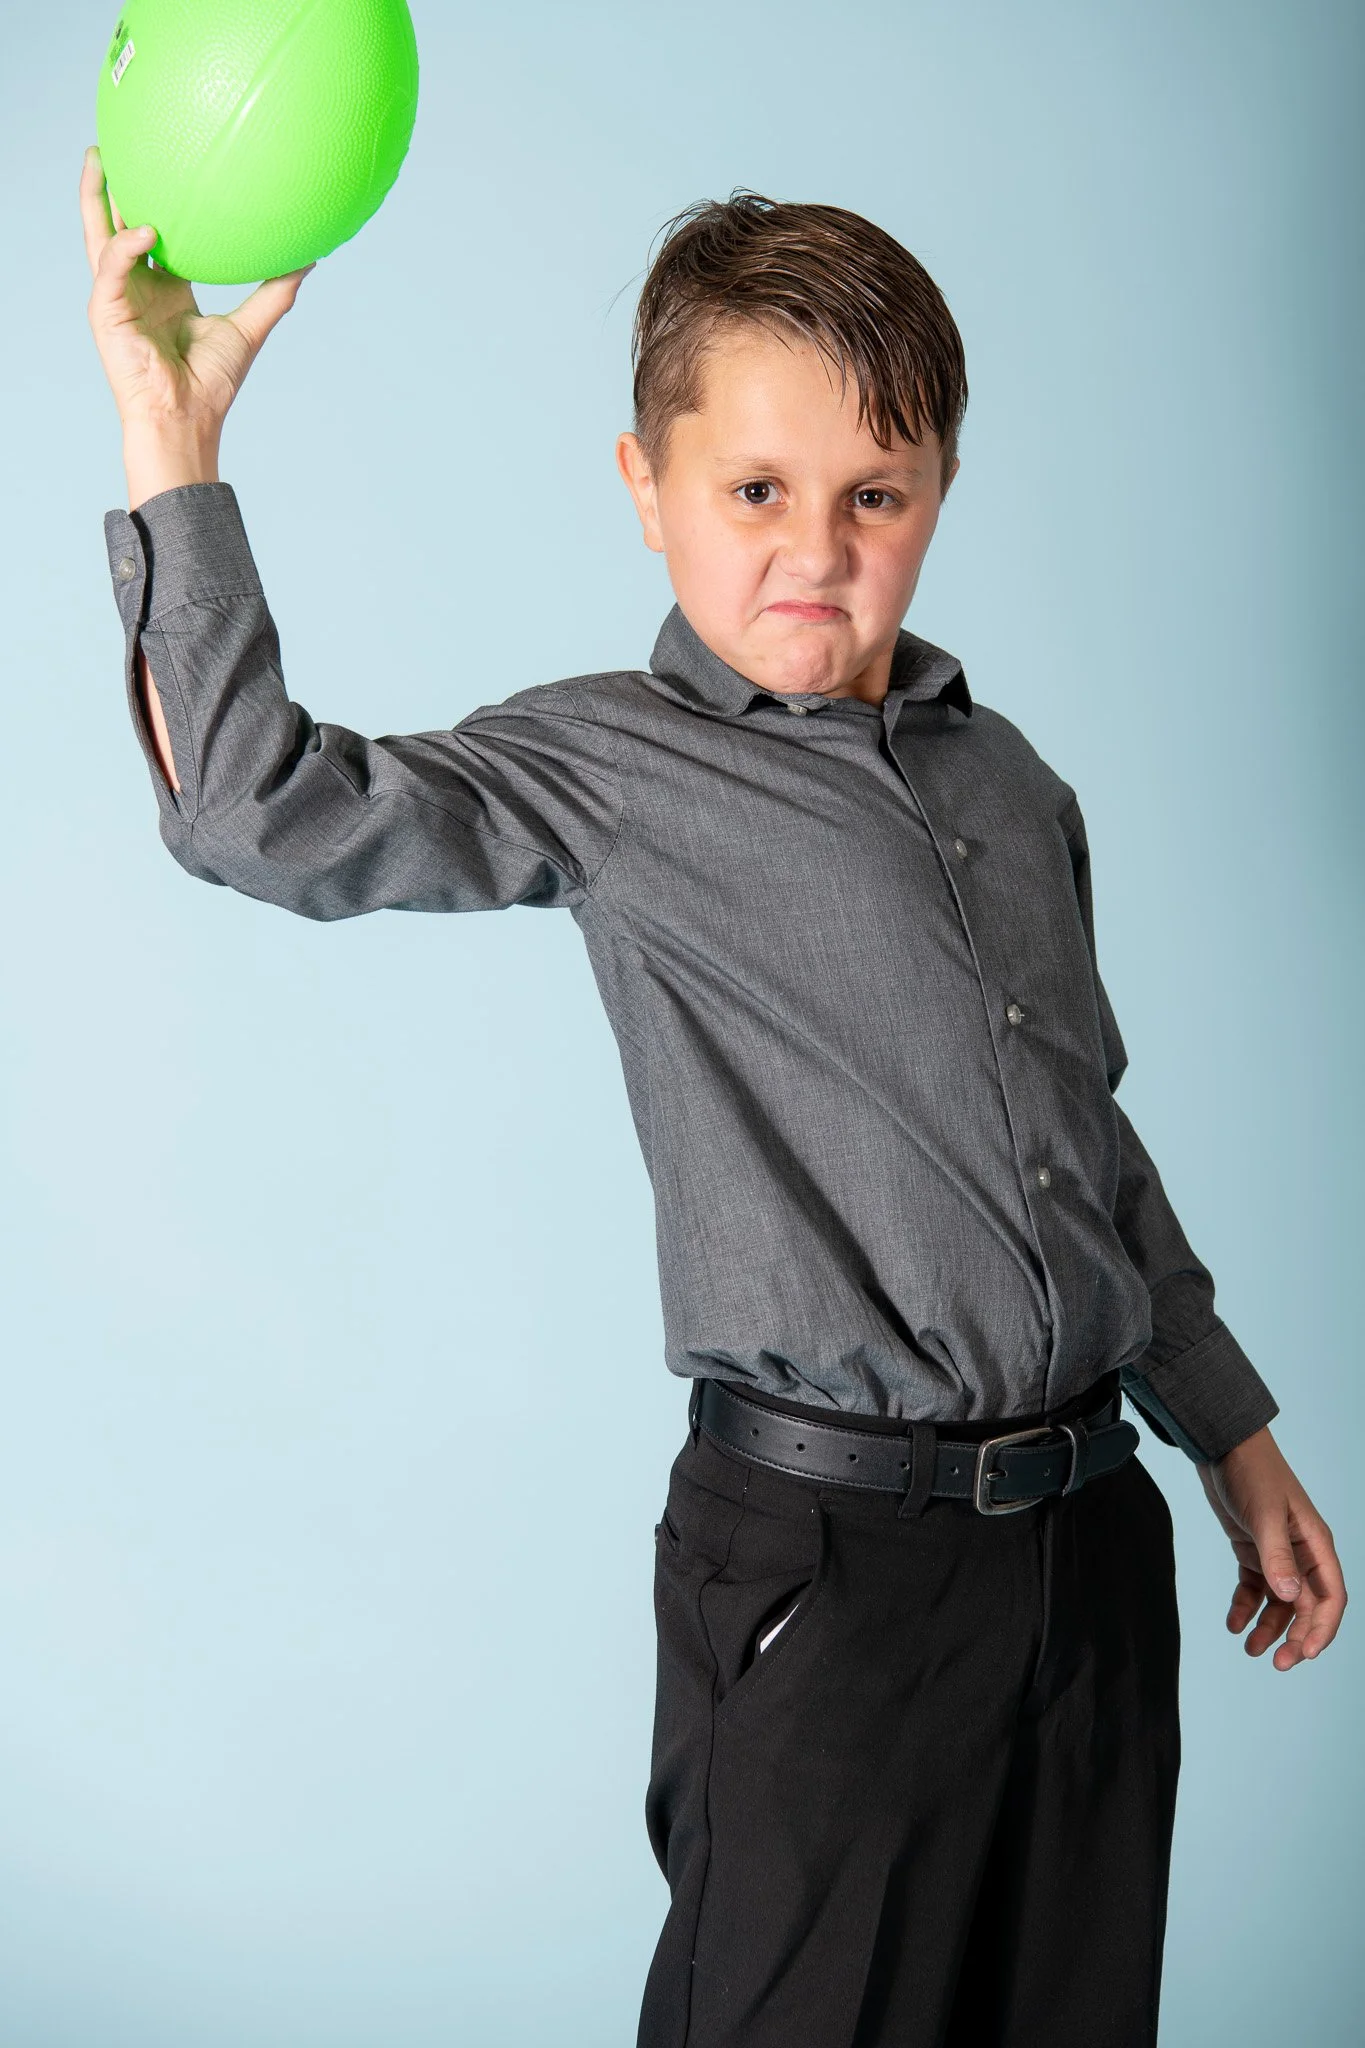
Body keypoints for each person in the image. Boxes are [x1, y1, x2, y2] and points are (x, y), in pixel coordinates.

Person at [81, 146, 1346, 2048]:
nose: (814, 551)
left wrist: (1230, 1433)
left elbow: (1092, 1154)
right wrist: (174, 441)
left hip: (1095, 1560)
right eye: (755, 490)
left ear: (934, 499)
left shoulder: (1018, 789)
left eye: (874, 496)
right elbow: (257, 809)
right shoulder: (608, 769)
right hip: (836, 1571)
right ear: (645, 489)